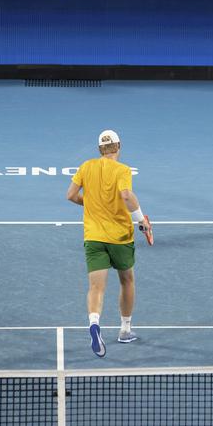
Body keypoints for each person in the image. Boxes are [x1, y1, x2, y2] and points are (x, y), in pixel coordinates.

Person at [66, 129, 152, 358]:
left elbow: (71, 195)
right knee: (127, 280)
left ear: (99, 149)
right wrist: (141, 219)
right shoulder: (122, 170)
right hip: (120, 238)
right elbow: (126, 195)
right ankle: (125, 330)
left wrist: (93, 204)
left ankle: (94, 324)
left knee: (96, 287)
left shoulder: (86, 166)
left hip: (93, 237)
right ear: (119, 146)